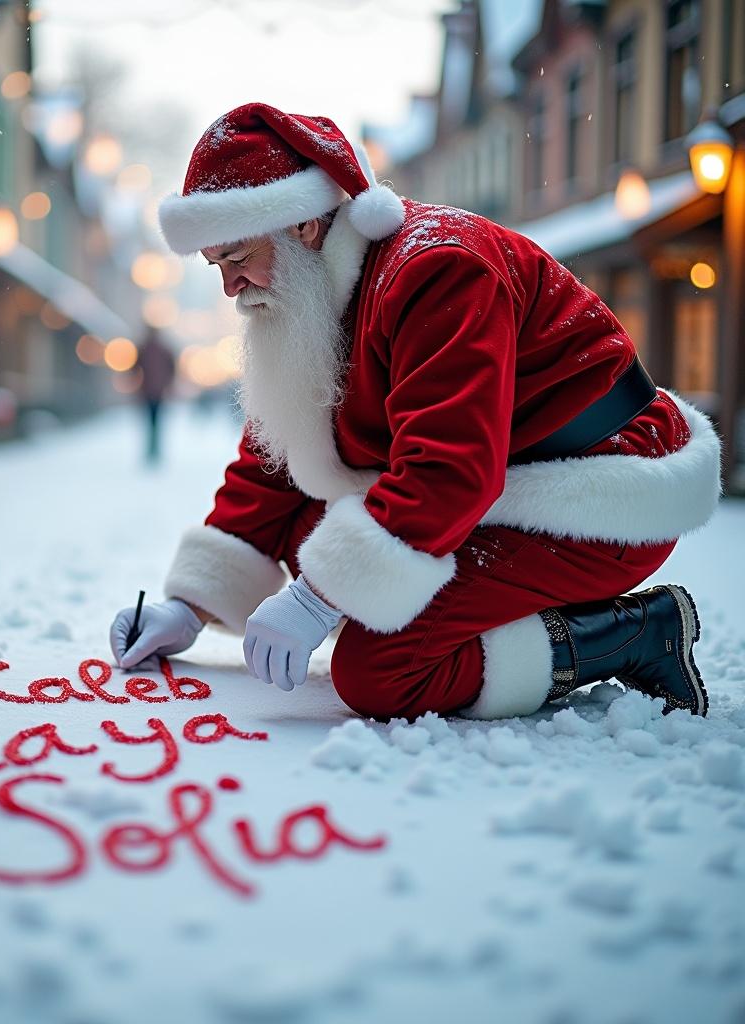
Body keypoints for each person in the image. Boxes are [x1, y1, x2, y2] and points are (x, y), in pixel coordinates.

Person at [110, 102, 721, 721]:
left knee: (381, 670)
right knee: (308, 538)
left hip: (597, 491)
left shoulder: (438, 268)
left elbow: (450, 469)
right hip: (502, 480)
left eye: (238, 256)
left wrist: (319, 597)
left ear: (301, 225)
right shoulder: (313, 292)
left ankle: (637, 633)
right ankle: (492, 609)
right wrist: (189, 606)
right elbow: (281, 455)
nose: (230, 286)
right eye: (217, 266)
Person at [136, 326, 176, 463]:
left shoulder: (143, 349)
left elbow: (134, 368)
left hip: (150, 391)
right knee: (155, 422)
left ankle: (152, 449)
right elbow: (172, 368)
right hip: (156, 391)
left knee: (151, 421)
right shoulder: (162, 350)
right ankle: (154, 449)